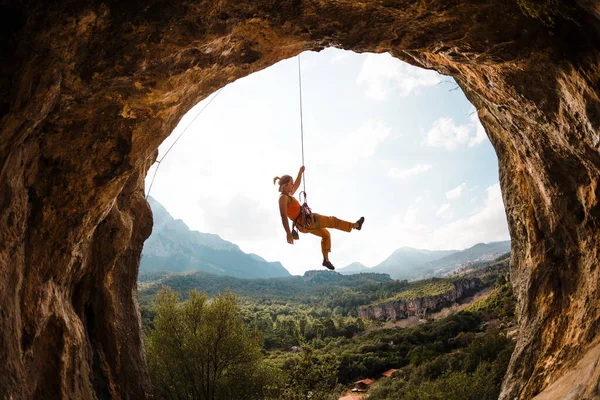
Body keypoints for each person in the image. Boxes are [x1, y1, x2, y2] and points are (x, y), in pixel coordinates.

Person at [273, 166, 365, 270]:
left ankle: (326, 260)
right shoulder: (283, 198)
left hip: (304, 225)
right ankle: (355, 225)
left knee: (326, 234)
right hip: (308, 221)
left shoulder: (288, 195)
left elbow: (297, 185)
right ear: (285, 185)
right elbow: (283, 216)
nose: (293, 185)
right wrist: (288, 233)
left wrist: (300, 172)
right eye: (291, 183)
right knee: (332, 221)